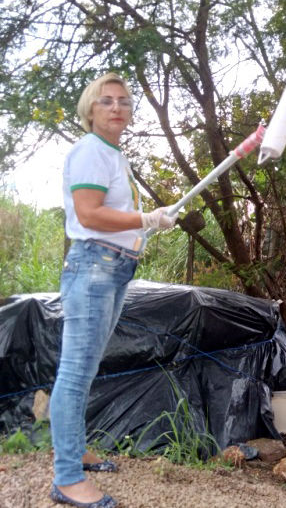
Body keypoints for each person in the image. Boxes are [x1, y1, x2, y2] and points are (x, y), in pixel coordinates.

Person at [49, 73, 177, 508]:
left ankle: (75, 450)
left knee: (86, 367)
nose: (117, 107)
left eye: (124, 100)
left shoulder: (111, 153)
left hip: (114, 267)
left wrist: (150, 222)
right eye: (106, 101)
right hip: (94, 267)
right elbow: (88, 214)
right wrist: (146, 219)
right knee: (76, 371)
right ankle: (66, 477)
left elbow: (114, 213)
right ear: (91, 110)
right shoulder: (90, 150)